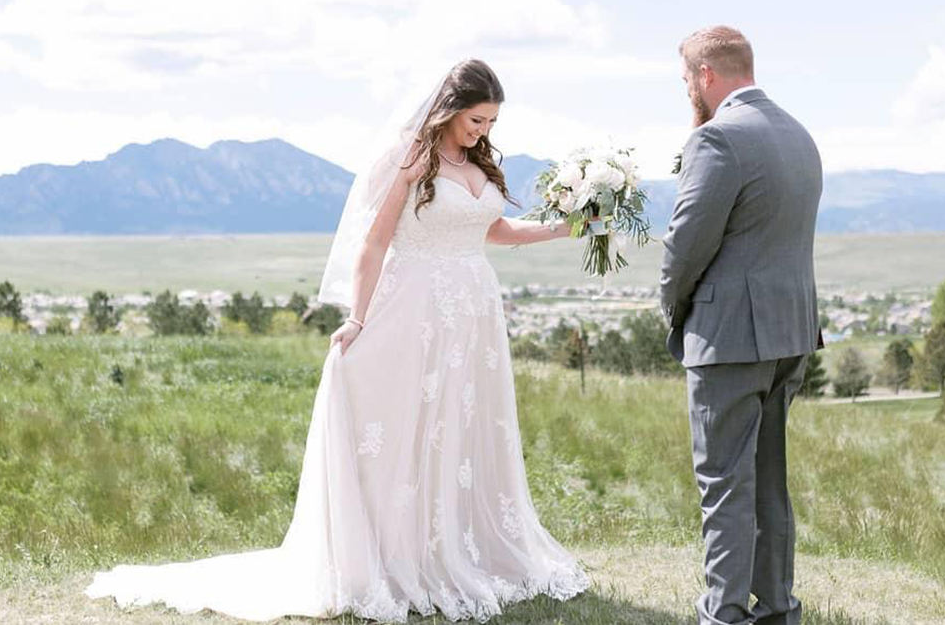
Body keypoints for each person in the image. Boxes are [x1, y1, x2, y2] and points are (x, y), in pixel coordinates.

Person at [86, 59, 590, 622]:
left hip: (473, 316)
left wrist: (567, 225)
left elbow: (492, 230)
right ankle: (391, 554)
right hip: (414, 306)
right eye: (476, 119)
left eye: (492, 122)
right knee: (404, 424)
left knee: (463, 427)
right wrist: (357, 318)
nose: (484, 132)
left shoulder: (479, 163)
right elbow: (373, 246)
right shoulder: (413, 160)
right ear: (449, 110)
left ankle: (455, 544)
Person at [659, 26, 823, 625]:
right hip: (791, 335)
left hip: (728, 336)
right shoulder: (798, 134)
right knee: (769, 479)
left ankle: (723, 613)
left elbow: (686, 246)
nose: (686, 92)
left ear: (706, 75)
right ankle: (778, 606)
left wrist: (671, 308)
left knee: (724, 484)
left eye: (685, 80)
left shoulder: (718, 139)